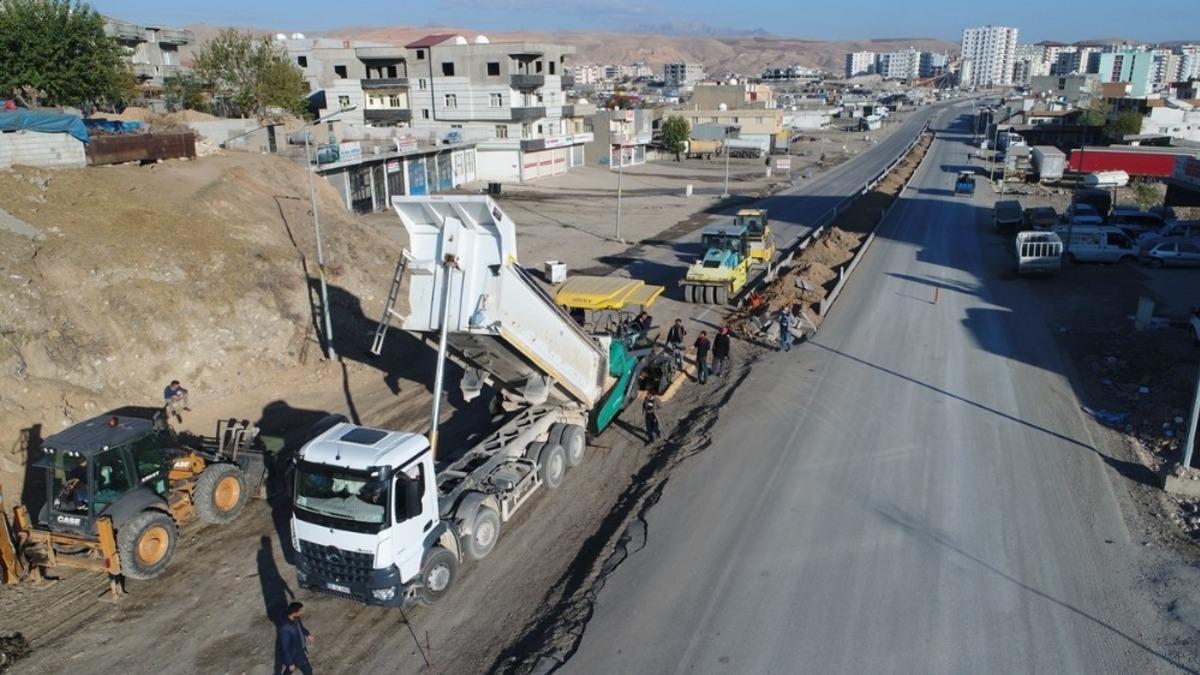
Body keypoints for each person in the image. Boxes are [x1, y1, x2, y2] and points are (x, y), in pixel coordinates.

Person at [278, 601, 313, 675]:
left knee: (291, 669)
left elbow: (301, 627)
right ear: (294, 612)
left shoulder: (296, 618)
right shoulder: (285, 628)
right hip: (295, 654)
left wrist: (307, 634)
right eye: (300, 610)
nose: (301, 612)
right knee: (308, 671)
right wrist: (290, 663)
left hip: (299, 650)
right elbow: (285, 647)